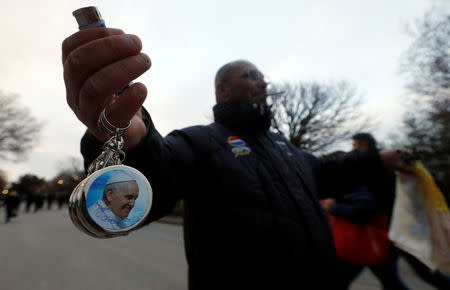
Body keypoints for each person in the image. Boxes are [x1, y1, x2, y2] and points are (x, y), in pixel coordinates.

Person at [62, 27, 411, 290]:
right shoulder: (199, 141)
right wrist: (131, 141)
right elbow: (155, 181)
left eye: (262, 75)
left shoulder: (283, 146)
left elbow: (328, 170)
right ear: (223, 90)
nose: (263, 82)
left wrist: (379, 159)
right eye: (251, 74)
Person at [351, 133, 450, 290]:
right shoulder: (387, 167)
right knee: (393, 274)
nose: (353, 149)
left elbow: (375, 201)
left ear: (364, 145)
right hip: (396, 228)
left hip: (399, 228)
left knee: (423, 271)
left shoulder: (379, 167)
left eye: (355, 145)